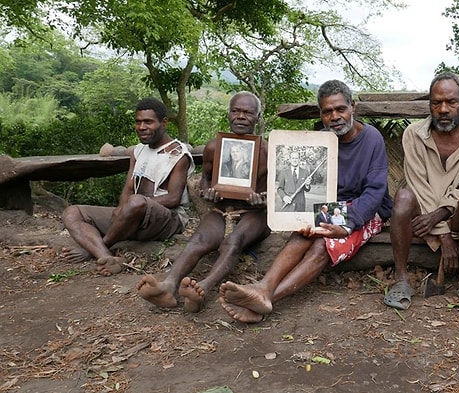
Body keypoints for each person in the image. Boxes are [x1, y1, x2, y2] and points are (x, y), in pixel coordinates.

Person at [218, 79, 393, 323]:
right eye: (327, 111)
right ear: (321, 114)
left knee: (323, 245)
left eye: (340, 109)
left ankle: (266, 300)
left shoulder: (371, 138)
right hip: (331, 206)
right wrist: (296, 214)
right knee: (304, 233)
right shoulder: (319, 140)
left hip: (364, 209)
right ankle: (263, 287)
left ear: (352, 107)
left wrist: (348, 223)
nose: (335, 116)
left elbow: (375, 191)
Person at [136, 91, 270, 313]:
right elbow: (206, 179)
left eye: (247, 112)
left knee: (233, 242)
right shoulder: (215, 147)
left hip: (255, 214)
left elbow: (279, 191)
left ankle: (204, 288)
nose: (240, 117)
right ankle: (168, 287)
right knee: (197, 240)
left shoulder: (267, 151)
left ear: (257, 117)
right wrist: (207, 190)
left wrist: (262, 200)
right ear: (228, 114)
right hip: (221, 209)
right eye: (235, 111)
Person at [383, 72, 459, 311]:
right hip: (424, 214)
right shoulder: (414, 134)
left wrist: (439, 218)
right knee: (402, 197)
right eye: (436, 102)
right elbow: (418, 184)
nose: (443, 109)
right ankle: (401, 280)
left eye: (451, 102)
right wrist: (443, 235)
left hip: (455, 216)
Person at [61, 98, 194, 275]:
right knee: (72, 212)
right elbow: (129, 187)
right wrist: (122, 209)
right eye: (138, 122)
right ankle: (106, 256)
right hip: (133, 215)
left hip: (167, 219)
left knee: (136, 201)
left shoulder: (178, 154)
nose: (141, 127)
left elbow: (173, 198)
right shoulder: (138, 150)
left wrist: (132, 206)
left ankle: (95, 248)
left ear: (163, 123)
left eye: (148, 122)